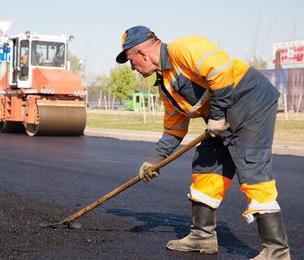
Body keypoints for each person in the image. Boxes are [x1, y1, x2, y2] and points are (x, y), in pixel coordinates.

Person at [116, 26, 290, 259]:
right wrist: (153, 161)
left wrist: (217, 116)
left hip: (251, 104)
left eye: (131, 61)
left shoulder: (184, 48)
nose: (133, 68)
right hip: (221, 119)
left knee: (252, 169)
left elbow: (220, 71)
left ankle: (277, 251)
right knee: (206, 165)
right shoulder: (166, 85)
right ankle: (202, 236)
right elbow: (174, 130)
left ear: (142, 53)